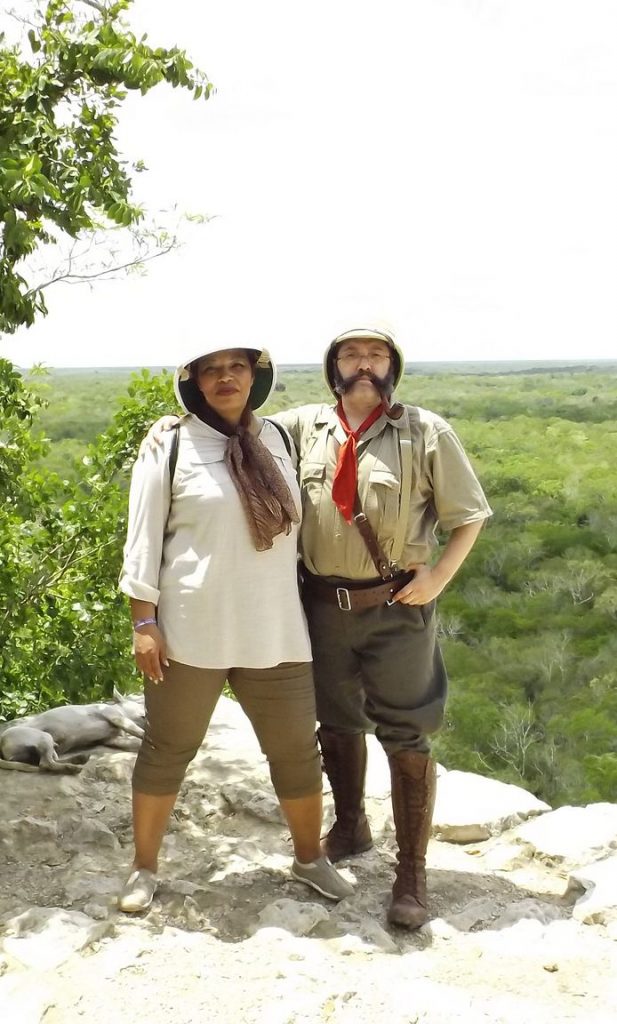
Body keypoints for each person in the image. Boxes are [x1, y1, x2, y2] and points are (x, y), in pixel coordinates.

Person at [146, 325, 491, 929]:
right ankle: (351, 826)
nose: (364, 365)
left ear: (394, 366)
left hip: (395, 606)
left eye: (376, 355)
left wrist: (437, 578)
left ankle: (410, 872)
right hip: (320, 607)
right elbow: (232, 423)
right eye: (351, 355)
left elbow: (470, 516)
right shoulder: (299, 428)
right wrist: (173, 426)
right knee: (335, 721)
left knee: (408, 734)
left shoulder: (426, 431)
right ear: (333, 367)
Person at [118, 342, 353, 913]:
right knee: (168, 748)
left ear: (255, 377)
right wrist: (144, 620)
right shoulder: (170, 444)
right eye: (212, 369)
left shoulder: (279, 438)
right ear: (195, 381)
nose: (225, 378)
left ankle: (309, 859)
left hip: (274, 627)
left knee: (297, 750)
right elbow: (143, 539)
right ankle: (144, 869)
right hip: (191, 628)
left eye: (237, 367)